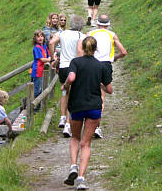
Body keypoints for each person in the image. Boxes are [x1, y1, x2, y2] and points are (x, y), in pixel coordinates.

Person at [63, 36, 113, 190]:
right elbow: (109, 90)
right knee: (86, 143)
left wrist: (65, 85)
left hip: (77, 105)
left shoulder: (75, 62)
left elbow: (71, 77)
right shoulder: (101, 66)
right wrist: (100, 85)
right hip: (94, 107)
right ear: (95, 48)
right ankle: (81, 178)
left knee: (75, 137)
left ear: (82, 48)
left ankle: (73, 166)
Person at [88, 14, 127, 138]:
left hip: (92, 64)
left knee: (89, 93)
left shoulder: (91, 33)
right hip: (105, 65)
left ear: (97, 24)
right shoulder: (112, 34)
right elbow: (124, 52)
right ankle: (96, 126)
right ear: (108, 24)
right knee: (102, 96)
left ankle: (88, 122)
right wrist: (114, 58)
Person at [49, 15, 85, 138]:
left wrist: (53, 56)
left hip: (63, 67)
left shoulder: (62, 33)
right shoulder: (81, 36)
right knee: (73, 96)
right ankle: (68, 125)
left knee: (65, 91)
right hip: (74, 68)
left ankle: (62, 117)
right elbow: (80, 52)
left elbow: (51, 42)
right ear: (81, 27)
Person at [31, 30, 51, 99]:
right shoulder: (36, 48)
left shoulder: (44, 46)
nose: (40, 38)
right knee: (37, 89)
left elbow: (48, 55)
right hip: (37, 71)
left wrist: (50, 58)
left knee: (43, 86)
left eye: (41, 36)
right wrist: (49, 59)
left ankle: (41, 104)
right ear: (35, 39)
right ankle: (35, 106)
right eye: (38, 36)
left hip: (43, 70)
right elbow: (42, 59)